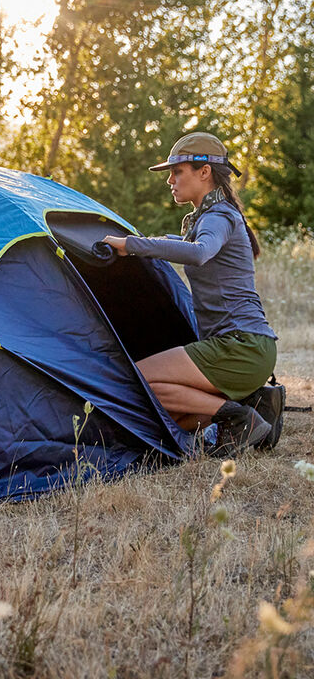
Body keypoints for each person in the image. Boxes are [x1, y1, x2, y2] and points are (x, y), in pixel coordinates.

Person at [102, 132, 281, 453]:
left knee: (138, 380)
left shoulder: (220, 215)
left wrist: (133, 245)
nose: (170, 180)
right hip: (242, 347)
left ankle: (239, 417)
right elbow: (187, 244)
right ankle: (256, 407)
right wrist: (137, 244)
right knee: (166, 415)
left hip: (241, 346)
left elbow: (198, 251)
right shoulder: (211, 218)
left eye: (177, 171)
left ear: (204, 172)